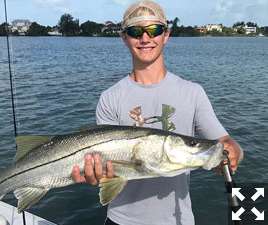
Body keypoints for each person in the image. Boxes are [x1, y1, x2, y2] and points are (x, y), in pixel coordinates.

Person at [72, 1, 244, 224]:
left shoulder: (192, 92)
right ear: (124, 38)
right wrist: (94, 174)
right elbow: (108, 172)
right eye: (136, 32)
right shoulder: (110, 97)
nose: (145, 39)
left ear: (166, 35)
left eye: (154, 30)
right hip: (120, 220)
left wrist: (232, 154)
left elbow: (225, 142)